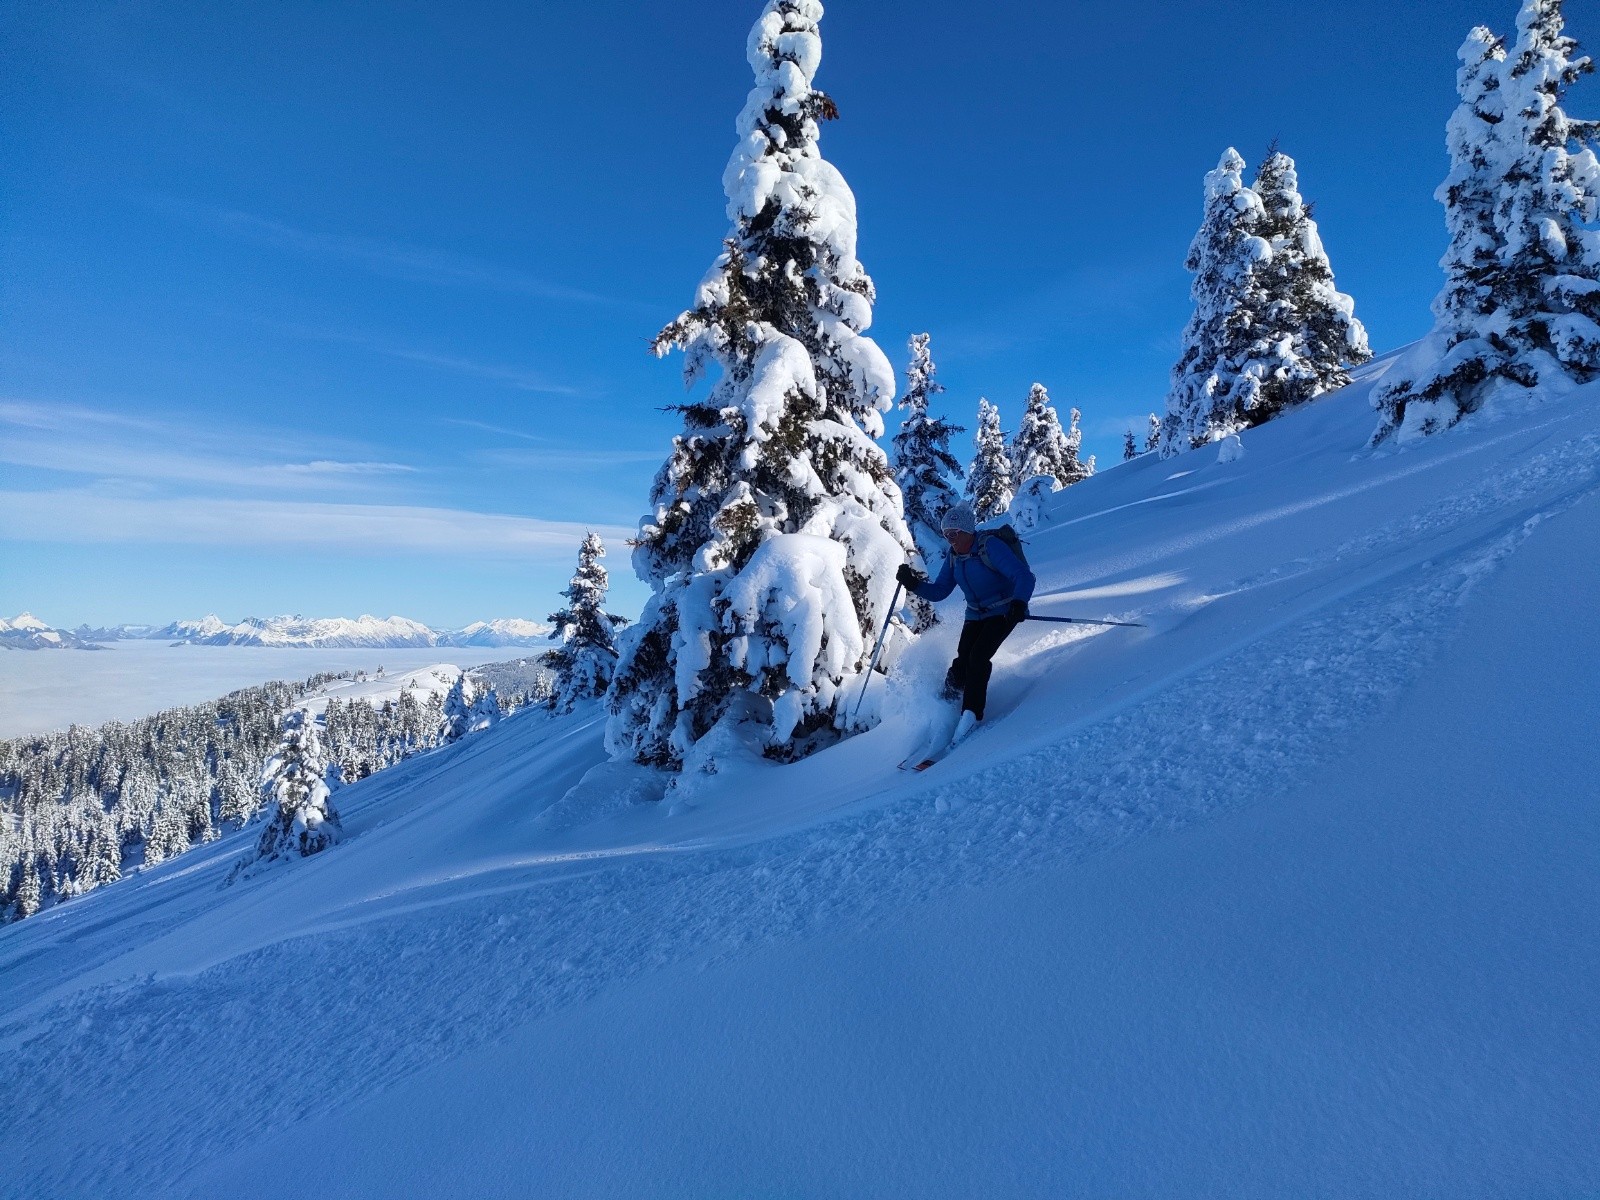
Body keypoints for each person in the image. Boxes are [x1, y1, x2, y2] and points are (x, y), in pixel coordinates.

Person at [895, 502, 1035, 740]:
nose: (950, 539)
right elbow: (940, 591)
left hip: (1004, 611)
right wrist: (913, 584)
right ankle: (943, 706)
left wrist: (1019, 603)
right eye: (946, 535)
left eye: (954, 534)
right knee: (961, 663)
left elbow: (1024, 576)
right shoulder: (954, 557)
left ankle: (971, 714)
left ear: (967, 530)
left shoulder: (991, 547)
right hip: (975, 614)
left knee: (978, 658)